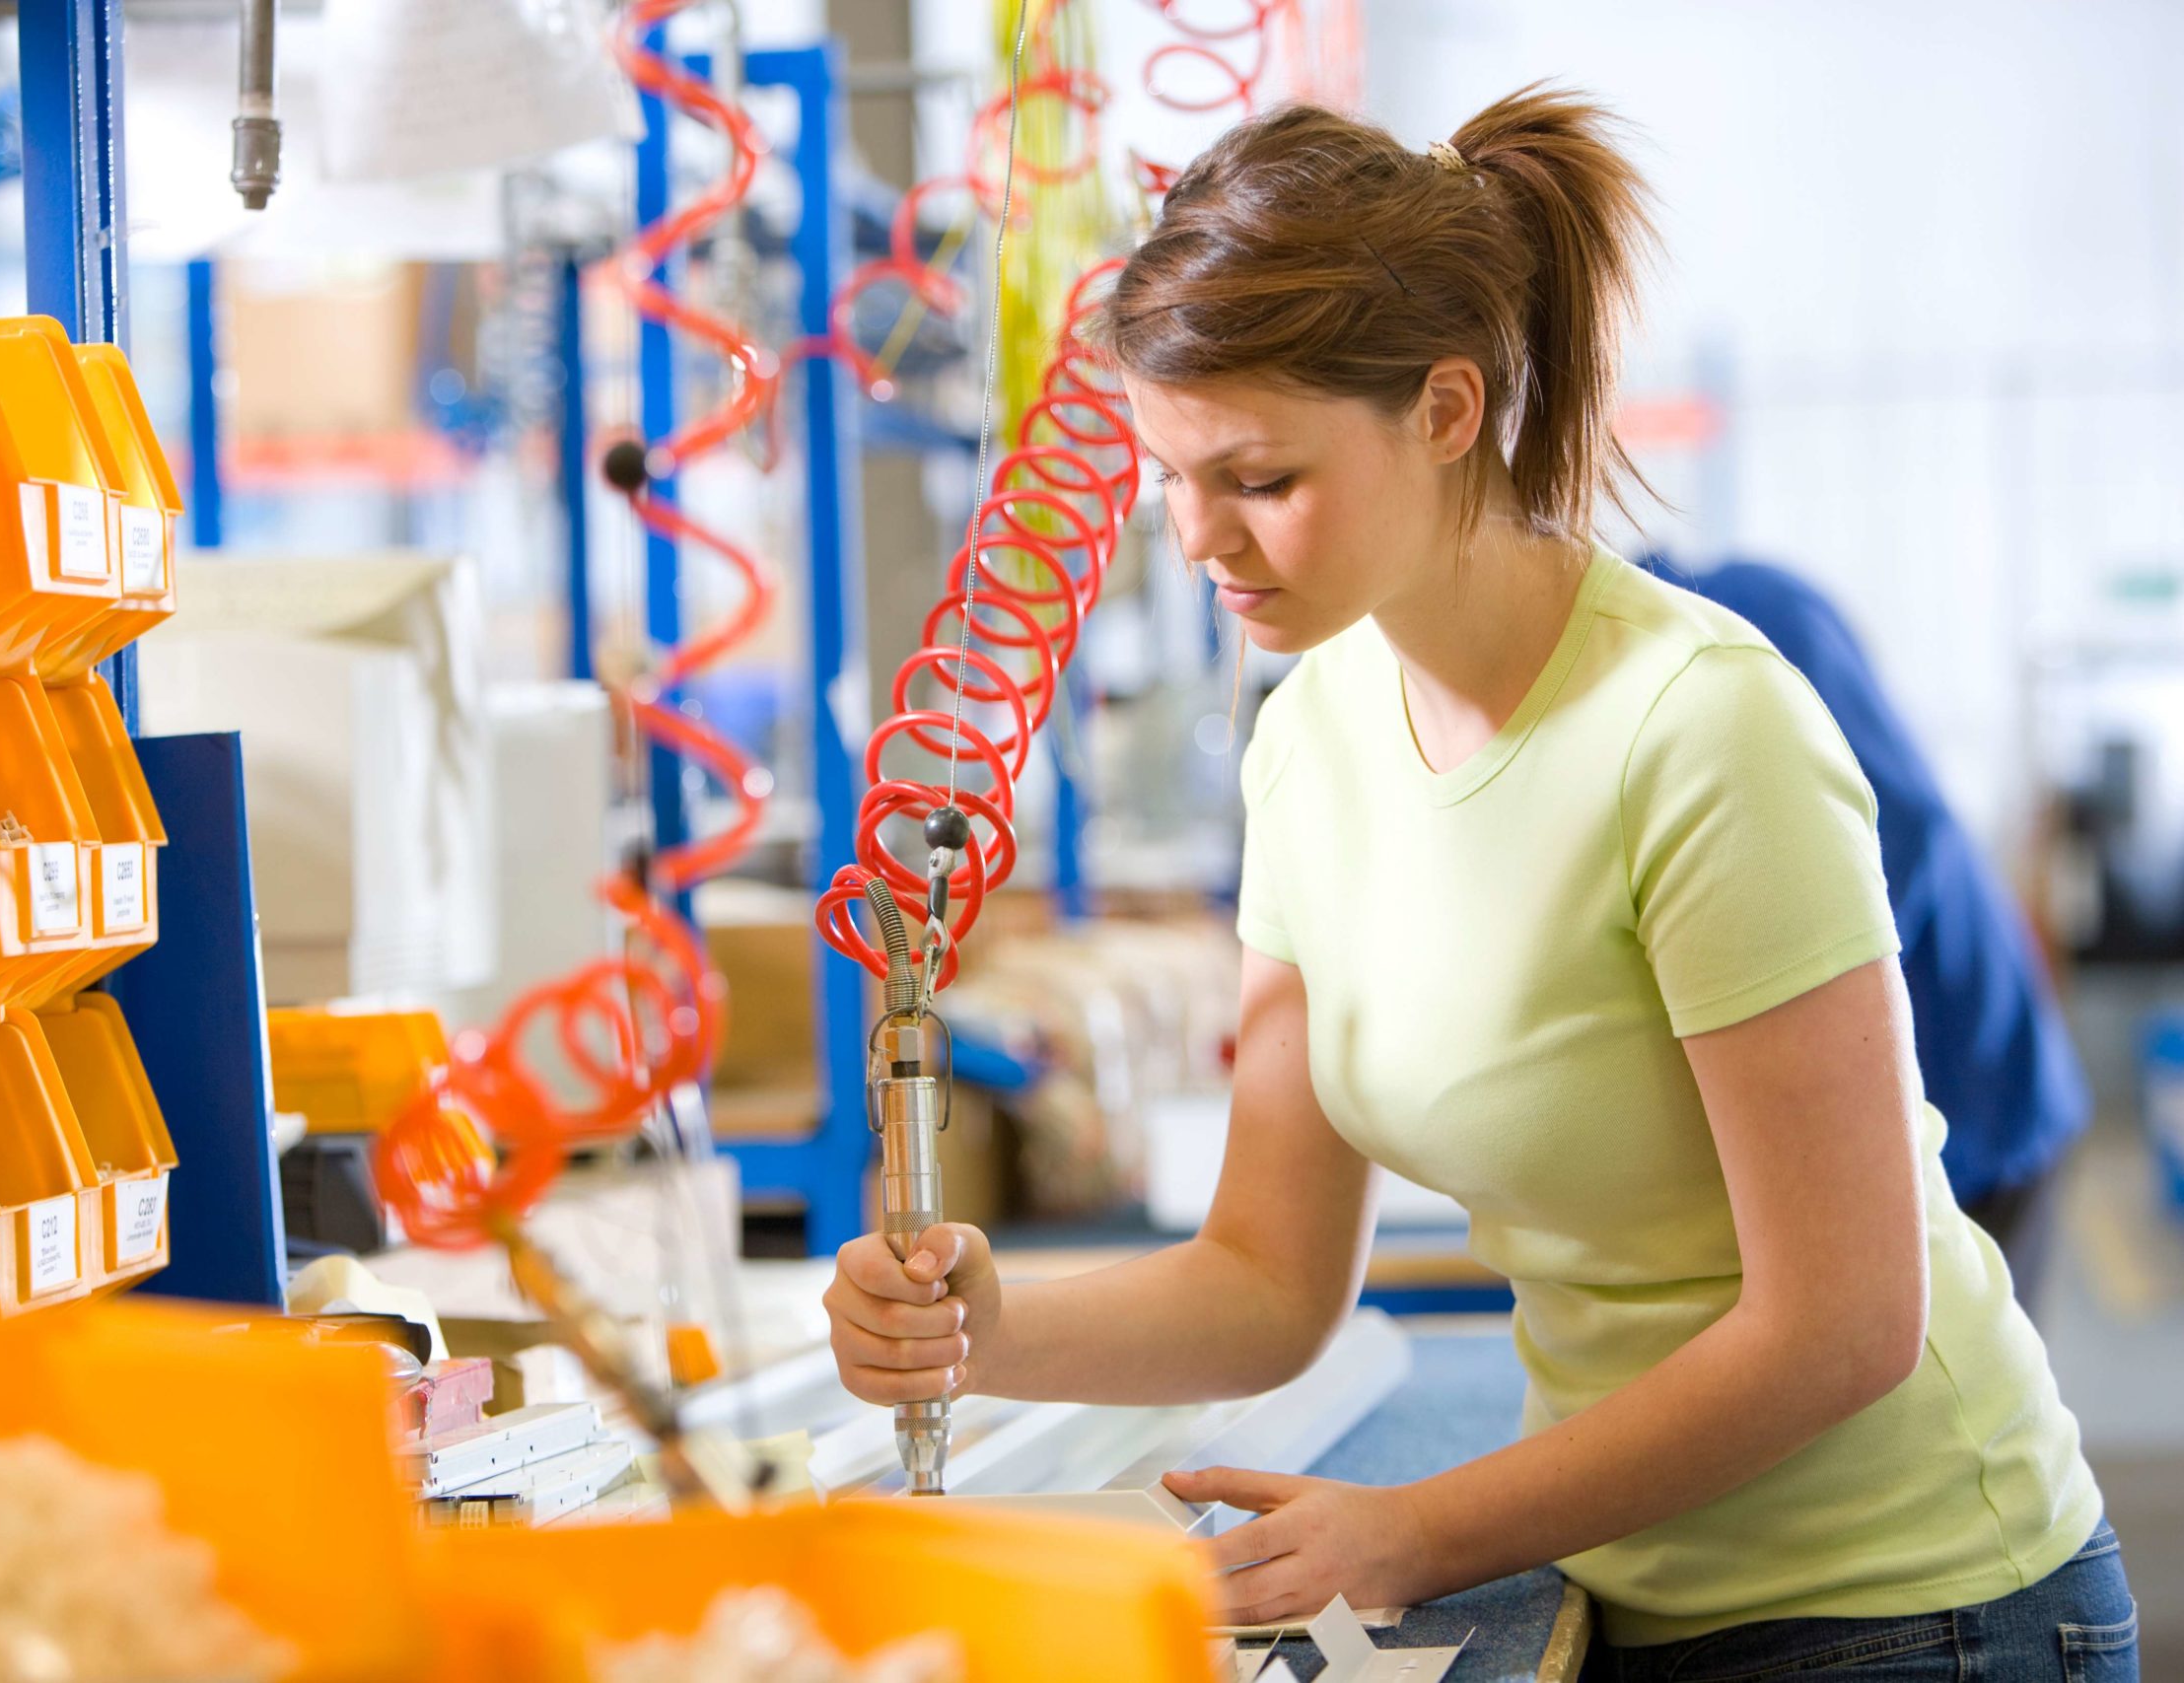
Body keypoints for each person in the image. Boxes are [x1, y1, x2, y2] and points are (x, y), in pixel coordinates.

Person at [821, 91, 2137, 1677]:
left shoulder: (1700, 726)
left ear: (1447, 410)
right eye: (1171, 478)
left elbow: (1848, 1323)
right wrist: (993, 1325)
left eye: (1258, 476)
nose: (1201, 539)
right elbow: (1266, 1275)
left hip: (1918, 1606)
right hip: (1627, 1589)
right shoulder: (1308, 740)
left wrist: (1419, 1526)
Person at [1647, 555, 2092, 1303]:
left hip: (1973, 1089)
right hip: (1909, 1097)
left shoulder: (1746, 621)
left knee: (1958, 1391)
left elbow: (1897, 841)